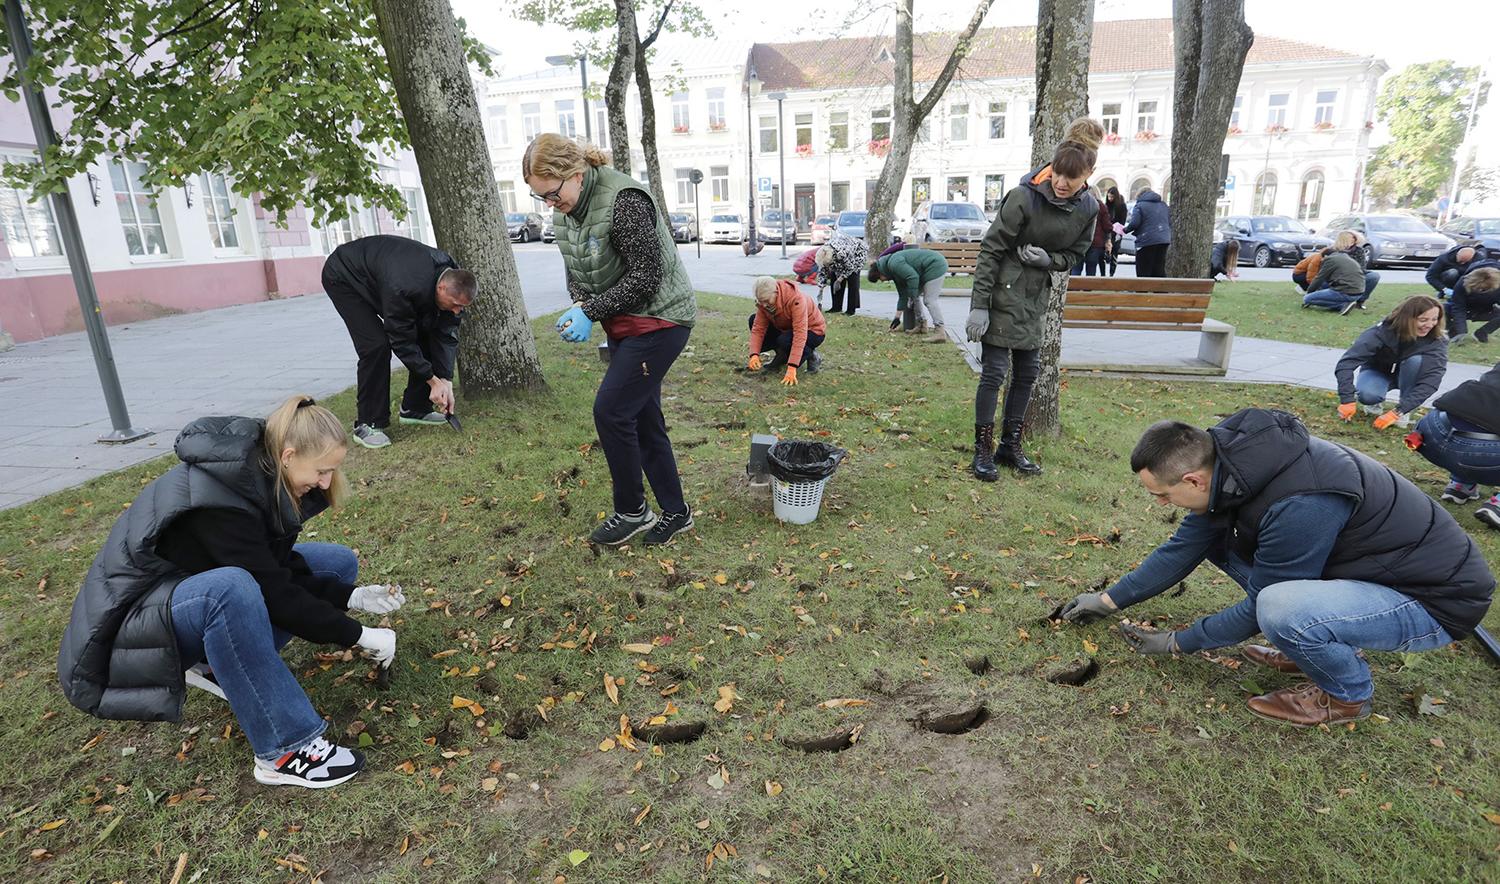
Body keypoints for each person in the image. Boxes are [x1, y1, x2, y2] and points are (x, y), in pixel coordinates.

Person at [1056, 409, 1493, 727]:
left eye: (1162, 496)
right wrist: (1107, 600)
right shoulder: (1233, 469)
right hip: (1375, 573)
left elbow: (1264, 603)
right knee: (1221, 547)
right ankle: (1314, 645)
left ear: (1193, 480)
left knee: (1281, 608)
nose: (1160, 505)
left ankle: (1346, 696)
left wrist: (1178, 642)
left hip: (1431, 599)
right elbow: (1181, 549)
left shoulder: (1299, 502)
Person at [57, 395, 406, 788]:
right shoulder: (222, 502)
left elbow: (278, 568)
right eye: (322, 471)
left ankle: (220, 663)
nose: (325, 484)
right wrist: (357, 634)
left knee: (335, 563)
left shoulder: (258, 475)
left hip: (177, 594)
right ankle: (284, 750)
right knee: (231, 590)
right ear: (288, 455)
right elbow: (274, 591)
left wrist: (351, 597)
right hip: (127, 630)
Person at [523, 133, 697, 547]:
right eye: (540, 198)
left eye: (551, 193)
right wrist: (581, 302)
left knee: (612, 411)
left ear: (576, 174)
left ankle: (633, 510)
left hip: (660, 319)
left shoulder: (624, 201)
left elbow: (646, 276)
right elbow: (577, 267)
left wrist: (590, 311)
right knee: (642, 418)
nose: (549, 204)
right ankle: (677, 512)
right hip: (625, 324)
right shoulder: (567, 211)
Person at [966, 117, 1102, 481]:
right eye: (1058, 173)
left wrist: (1051, 261)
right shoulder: (1023, 196)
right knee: (994, 373)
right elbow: (991, 249)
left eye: (1070, 178)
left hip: (1035, 296)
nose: (1061, 182)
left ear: (1087, 175)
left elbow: (1076, 253)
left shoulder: (1088, 208)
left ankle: (1009, 446)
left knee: (1027, 373)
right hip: (1001, 291)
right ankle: (982, 451)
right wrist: (979, 304)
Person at [322, 235, 477, 449]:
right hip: (344, 275)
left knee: (429, 329)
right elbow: (400, 338)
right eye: (456, 305)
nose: (457, 311)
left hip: (383, 275)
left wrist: (445, 380)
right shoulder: (404, 286)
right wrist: (432, 381)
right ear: (441, 288)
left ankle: (415, 407)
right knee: (376, 345)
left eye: (462, 308)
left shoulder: (452, 279)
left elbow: (446, 334)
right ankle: (367, 423)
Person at [1333, 295, 1447, 431]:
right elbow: (1346, 363)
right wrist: (1347, 399)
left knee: (1415, 361)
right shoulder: (1380, 332)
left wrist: (1399, 411)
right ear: (1407, 319)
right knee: (1367, 395)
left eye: (1434, 319)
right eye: (1423, 320)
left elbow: (1430, 382)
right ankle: (1374, 403)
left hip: (1409, 376)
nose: (1429, 325)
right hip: (1378, 371)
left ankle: (1403, 412)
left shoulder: (1436, 341)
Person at [1409, 360, 1500, 528]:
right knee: (1480, 437)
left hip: (1428, 432)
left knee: (1477, 424)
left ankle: (1460, 485)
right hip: (1474, 454)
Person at [747, 276, 825, 383]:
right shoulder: (764, 303)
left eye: (766, 301)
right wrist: (754, 354)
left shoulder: (796, 299)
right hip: (787, 329)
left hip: (812, 331)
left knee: (785, 340)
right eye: (761, 302)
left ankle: (811, 355)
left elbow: (800, 333)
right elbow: (758, 328)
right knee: (753, 319)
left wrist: (792, 366)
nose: (764, 305)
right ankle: (782, 356)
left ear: (776, 293)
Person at [867, 246, 951, 343]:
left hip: (935, 265)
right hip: (925, 269)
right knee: (912, 296)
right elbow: (903, 296)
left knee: (929, 300)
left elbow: (913, 277)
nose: (881, 281)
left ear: (880, 273)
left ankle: (940, 332)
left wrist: (912, 296)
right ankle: (922, 325)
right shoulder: (892, 271)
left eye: (879, 279)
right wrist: (897, 318)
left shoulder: (894, 264)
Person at [1302, 232, 1378, 314]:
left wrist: (1309, 292)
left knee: (1308, 298)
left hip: (1343, 289)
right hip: (1358, 291)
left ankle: (1342, 305)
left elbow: (1319, 278)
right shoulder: (1345, 256)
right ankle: (1351, 302)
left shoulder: (1330, 259)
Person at [816, 233, 869, 316]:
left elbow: (850, 268)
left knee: (852, 280)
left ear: (832, 259)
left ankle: (851, 310)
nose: (828, 266)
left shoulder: (842, 253)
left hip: (857, 252)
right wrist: (820, 291)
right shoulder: (823, 253)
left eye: (829, 264)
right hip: (842, 253)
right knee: (834, 276)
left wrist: (840, 279)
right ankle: (836, 307)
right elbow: (822, 272)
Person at [1447, 265, 1500, 345]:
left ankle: (1482, 333)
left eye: (1483, 289)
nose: (1480, 291)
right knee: (1439, 309)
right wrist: (1461, 330)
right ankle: (1453, 331)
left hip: (1485, 311)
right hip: (1465, 309)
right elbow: (1458, 307)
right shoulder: (1463, 282)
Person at [1123, 187, 1170, 277]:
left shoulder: (1140, 205)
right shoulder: (1163, 205)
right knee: (1159, 268)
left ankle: (1142, 290)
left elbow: (1134, 223)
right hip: (1164, 240)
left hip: (1146, 240)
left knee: (1143, 268)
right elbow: (1168, 222)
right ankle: (1160, 290)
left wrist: (1125, 230)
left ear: (1139, 195)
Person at [1425, 244, 1489, 298]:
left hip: (1466, 280)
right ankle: (1444, 292)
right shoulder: (1444, 257)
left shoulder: (1480, 259)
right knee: (1452, 272)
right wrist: (1444, 289)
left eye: (1465, 262)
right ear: (1457, 255)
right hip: (1448, 279)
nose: (1462, 263)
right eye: (1461, 261)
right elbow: (1430, 276)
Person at [1076, 187, 1112, 277]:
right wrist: (1108, 239)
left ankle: (1074, 288)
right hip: (1095, 243)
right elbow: (1107, 226)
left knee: (1076, 268)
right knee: (1091, 269)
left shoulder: (1078, 204)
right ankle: (1088, 289)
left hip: (1078, 241)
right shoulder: (1101, 206)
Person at [1104, 186, 1128, 277]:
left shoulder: (1121, 206)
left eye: (1112, 197)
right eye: (1108, 197)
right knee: (1106, 253)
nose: (1110, 199)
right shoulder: (1107, 206)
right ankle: (1105, 273)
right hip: (1108, 231)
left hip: (1117, 232)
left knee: (1114, 252)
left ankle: (1111, 273)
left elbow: (1122, 221)